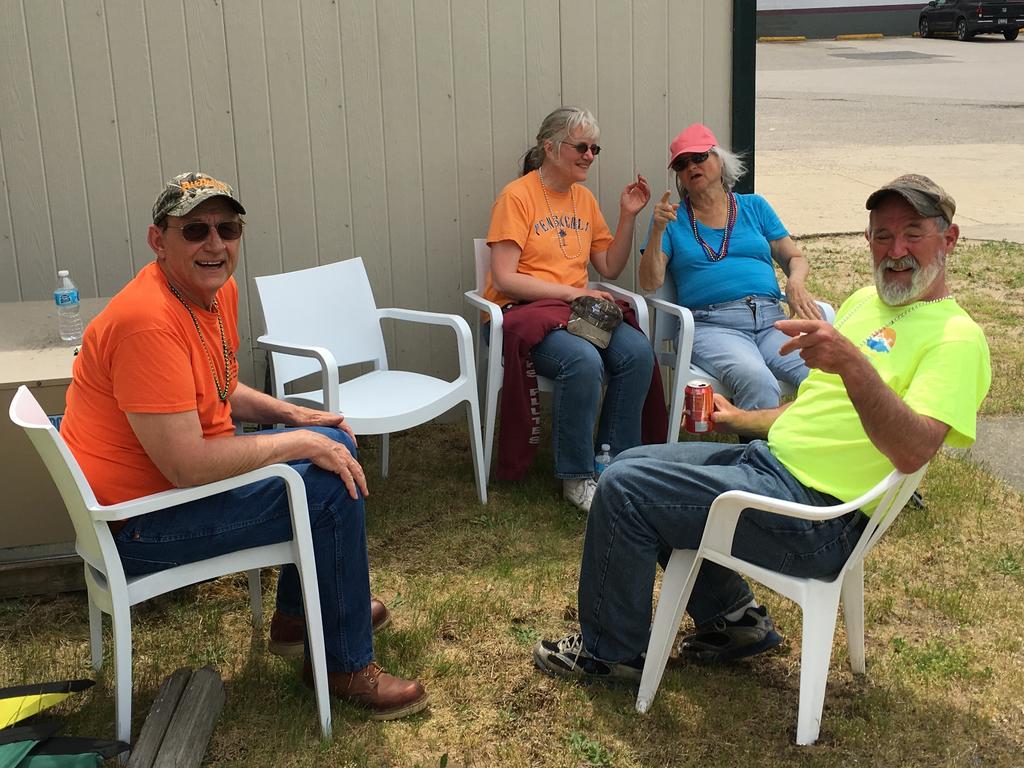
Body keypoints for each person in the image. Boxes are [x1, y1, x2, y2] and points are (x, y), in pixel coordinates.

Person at [533, 173, 990, 684]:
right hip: (773, 468)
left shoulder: (956, 338)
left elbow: (914, 451)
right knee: (632, 461)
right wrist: (736, 419)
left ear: (948, 239)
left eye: (913, 233)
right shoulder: (866, 302)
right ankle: (733, 619)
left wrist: (853, 365)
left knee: (626, 488)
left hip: (820, 519)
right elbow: (812, 409)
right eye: (882, 235)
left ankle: (610, 655)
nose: (896, 250)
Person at [60, 172, 428, 720]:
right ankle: (343, 666)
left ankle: (297, 620)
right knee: (328, 487)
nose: (215, 244)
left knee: (331, 441)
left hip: (163, 492)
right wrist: (298, 443)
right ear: (158, 240)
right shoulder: (146, 323)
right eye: (195, 230)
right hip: (138, 525)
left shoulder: (211, 292)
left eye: (227, 228)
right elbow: (187, 465)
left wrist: (295, 415)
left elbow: (221, 386)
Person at [484, 106, 657, 512]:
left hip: (574, 314)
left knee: (637, 353)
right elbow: (505, 278)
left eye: (595, 148)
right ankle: (576, 477)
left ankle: (614, 464)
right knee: (582, 360)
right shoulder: (517, 196)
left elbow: (609, 266)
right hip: (522, 315)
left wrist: (627, 217)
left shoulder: (584, 199)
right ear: (550, 147)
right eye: (581, 147)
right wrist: (569, 294)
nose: (589, 156)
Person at [639, 123, 820, 411]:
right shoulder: (671, 219)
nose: (691, 167)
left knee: (822, 372)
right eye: (682, 164)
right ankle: (757, 441)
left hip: (771, 320)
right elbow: (650, 282)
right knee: (757, 380)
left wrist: (796, 281)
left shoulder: (754, 207)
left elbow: (794, 258)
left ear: (720, 160)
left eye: (699, 157)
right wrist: (658, 231)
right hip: (713, 326)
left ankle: (813, 438)